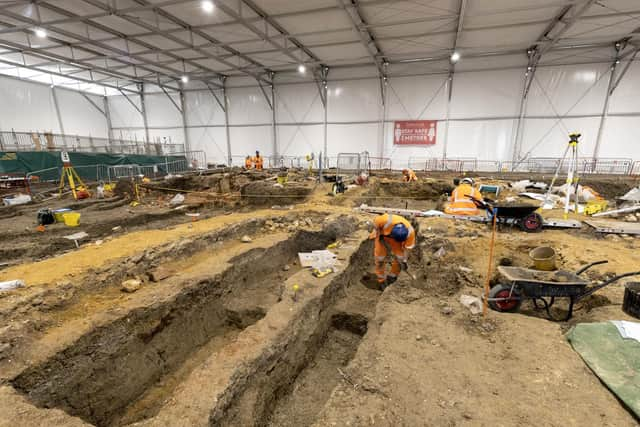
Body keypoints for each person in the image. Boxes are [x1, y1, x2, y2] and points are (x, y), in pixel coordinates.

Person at [369, 213, 416, 290]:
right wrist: (378, 233)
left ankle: (392, 277)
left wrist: (404, 260)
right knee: (380, 258)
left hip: (396, 242)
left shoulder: (411, 233)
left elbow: (408, 249)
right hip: (383, 235)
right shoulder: (383, 219)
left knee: (400, 257)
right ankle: (381, 280)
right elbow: (374, 225)